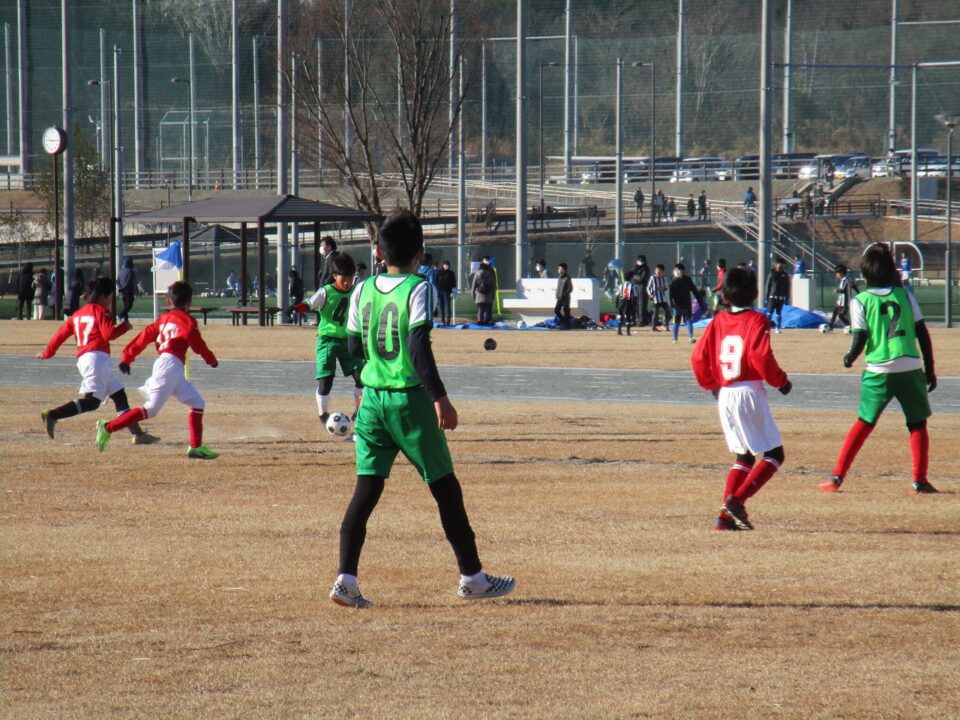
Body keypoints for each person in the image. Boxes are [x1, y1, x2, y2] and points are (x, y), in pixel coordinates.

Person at [329, 209, 515, 608]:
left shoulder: (362, 288)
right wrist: (439, 397)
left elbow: (352, 345)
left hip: (372, 400)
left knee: (366, 490)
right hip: (408, 399)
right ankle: (473, 578)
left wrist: (371, 376)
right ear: (420, 254)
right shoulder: (418, 287)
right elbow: (416, 346)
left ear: (379, 252)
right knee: (445, 488)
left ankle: (346, 578)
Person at [821, 243, 938, 495]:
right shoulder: (905, 295)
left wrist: (850, 357)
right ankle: (920, 481)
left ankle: (837, 476)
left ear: (865, 274)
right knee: (917, 424)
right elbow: (922, 332)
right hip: (909, 366)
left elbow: (860, 337)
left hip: (878, 370)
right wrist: (930, 368)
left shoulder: (861, 300)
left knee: (864, 422)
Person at [691, 266, 792, 531]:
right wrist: (781, 381)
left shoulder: (718, 320)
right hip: (749, 390)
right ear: (756, 292)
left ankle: (724, 518)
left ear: (725, 295)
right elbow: (761, 356)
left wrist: (712, 385)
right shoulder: (757, 320)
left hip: (726, 393)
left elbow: (698, 357)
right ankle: (736, 501)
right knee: (774, 454)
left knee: (744, 457)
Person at [94, 280, 219, 459]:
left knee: (198, 403)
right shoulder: (188, 321)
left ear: (168, 302)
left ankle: (196, 447)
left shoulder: (163, 319)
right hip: (170, 365)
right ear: (188, 303)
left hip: (169, 366)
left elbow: (143, 337)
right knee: (151, 409)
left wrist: (127, 357)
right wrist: (211, 360)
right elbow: (198, 345)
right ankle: (107, 427)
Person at [36, 276, 156, 445]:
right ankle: (53, 415)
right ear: (103, 296)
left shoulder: (78, 314)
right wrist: (124, 327)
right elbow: (109, 334)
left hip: (87, 359)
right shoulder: (101, 311)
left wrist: (48, 352)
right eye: (111, 297)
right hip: (96, 360)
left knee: (119, 396)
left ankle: (138, 434)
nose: (111, 302)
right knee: (92, 402)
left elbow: (60, 335)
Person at [292, 253, 364, 428]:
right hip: (327, 341)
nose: (347, 283)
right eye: (343, 279)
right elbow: (309, 304)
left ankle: (359, 412)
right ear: (334, 275)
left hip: (348, 339)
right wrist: (295, 308)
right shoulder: (326, 292)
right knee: (326, 380)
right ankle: (323, 414)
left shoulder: (357, 291)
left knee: (361, 377)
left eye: (350, 279)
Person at [669, 263, 702, 344]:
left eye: (678, 270)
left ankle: (690, 337)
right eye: (675, 270)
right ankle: (675, 338)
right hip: (676, 305)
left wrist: (699, 299)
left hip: (686, 304)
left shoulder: (687, 280)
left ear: (682, 271)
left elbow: (694, 290)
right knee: (676, 322)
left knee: (688, 320)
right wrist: (672, 304)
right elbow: (670, 295)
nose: (676, 271)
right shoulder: (673, 281)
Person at [765, 259, 790, 334]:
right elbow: (768, 286)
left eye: (782, 264)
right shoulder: (772, 273)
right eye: (779, 264)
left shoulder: (785, 275)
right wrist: (766, 296)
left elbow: (787, 287)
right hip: (772, 297)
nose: (780, 265)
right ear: (776, 264)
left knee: (779, 313)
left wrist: (787, 298)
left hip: (781, 297)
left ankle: (777, 328)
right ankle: (766, 329)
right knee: (770, 313)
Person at [828, 265, 857, 329]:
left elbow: (843, 290)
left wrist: (836, 290)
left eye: (837, 273)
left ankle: (850, 326)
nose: (836, 275)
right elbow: (854, 286)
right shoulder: (847, 279)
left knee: (841, 316)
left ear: (841, 273)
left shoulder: (845, 280)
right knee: (835, 311)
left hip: (845, 302)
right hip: (841, 302)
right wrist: (858, 292)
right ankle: (830, 326)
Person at [471, 257, 495, 325]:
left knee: (480, 309)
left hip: (479, 294)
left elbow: (474, 285)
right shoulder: (490, 273)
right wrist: (493, 295)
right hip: (488, 294)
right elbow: (493, 285)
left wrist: (473, 294)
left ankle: (479, 321)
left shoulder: (477, 273)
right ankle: (486, 321)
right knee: (487, 309)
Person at [646, 264, 670, 332]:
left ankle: (665, 325)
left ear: (662, 272)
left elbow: (666, 287)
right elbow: (648, 287)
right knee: (655, 313)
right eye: (657, 270)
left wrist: (663, 288)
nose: (658, 272)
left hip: (663, 298)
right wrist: (650, 294)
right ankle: (653, 327)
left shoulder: (664, 278)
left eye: (659, 271)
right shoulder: (652, 278)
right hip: (655, 298)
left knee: (668, 312)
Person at [616, 270, 638, 336]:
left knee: (621, 316)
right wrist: (635, 305)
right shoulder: (633, 286)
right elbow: (635, 296)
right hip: (628, 302)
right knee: (628, 317)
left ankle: (619, 331)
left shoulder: (621, 285)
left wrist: (616, 303)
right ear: (631, 278)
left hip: (621, 301)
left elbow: (617, 295)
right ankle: (628, 332)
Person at [435, 259, 457, 326]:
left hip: (447, 292)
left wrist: (453, 292)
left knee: (448, 306)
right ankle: (442, 320)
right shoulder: (439, 273)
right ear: (443, 265)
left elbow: (453, 283)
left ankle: (448, 320)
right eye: (445, 264)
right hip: (440, 291)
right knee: (441, 306)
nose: (446, 266)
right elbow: (436, 281)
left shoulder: (451, 273)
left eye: (447, 265)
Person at [117, 258, 136, 323]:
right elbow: (129, 280)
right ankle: (120, 315)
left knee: (125, 305)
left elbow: (118, 281)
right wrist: (124, 288)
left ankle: (126, 319)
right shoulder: (130, 271)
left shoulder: (120, 271)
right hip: (129, 290)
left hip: (123, 291)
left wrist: (120, 288)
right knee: (129, 305)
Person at [555, 262, 573, 328]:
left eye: (560, 268)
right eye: (558, 268)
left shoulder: (567, 278)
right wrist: (557, 294)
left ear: (564, 269)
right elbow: (558, 287)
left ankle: (568, 325)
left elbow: (570, 288)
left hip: (565, 298)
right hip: (559, 297)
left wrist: (564, 294)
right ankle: (564, 321)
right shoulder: (560, 277)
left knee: (566, 311)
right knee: (556, 310)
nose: (559, 270)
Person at [634, 255, 651, 326]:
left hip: (642, 287)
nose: (639, 262)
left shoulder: (645, 269)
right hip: (636, 287)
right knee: (636, 304)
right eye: (639, 261)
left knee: (642, 304)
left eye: (641, 261)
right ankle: (638, 319)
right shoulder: (636, 268)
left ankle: (641, 320)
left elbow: (642, 279)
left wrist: (634, 276)